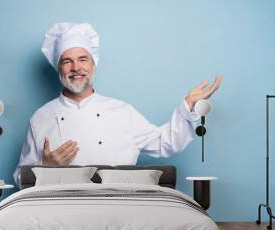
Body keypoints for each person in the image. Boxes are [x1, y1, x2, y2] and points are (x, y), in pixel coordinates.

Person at [13, 22, 222, 186]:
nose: (76, 67)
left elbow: (165, 143)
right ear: (58, 68)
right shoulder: (41, 117)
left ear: (93, 65)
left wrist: (188, 105)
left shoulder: (121, 111)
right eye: (67, 61)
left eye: (83, 59)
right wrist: (44, 168)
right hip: (60, 209)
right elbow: (20, 177)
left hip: (120, 207)